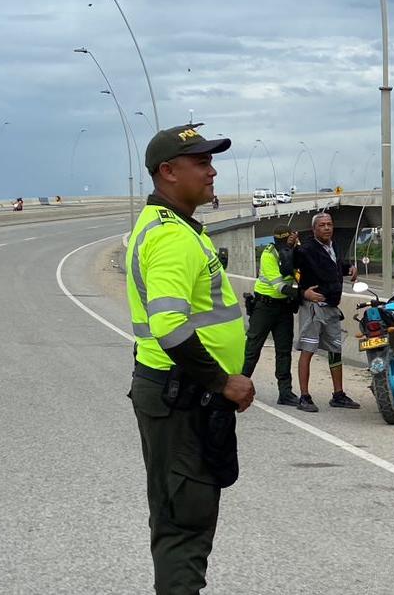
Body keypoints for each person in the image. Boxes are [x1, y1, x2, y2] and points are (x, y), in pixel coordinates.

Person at [126, 123, 256, 595]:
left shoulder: (178, 229)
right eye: (201, 163)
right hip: (182, 398)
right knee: (184, 525)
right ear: (168, 172)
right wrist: (222, 381)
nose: (212, 171)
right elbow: (168, 326)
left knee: (185, 518)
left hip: (180, 396)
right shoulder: (172, 239)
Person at [292, 211, 360, 412]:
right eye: (322, 225)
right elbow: (290, 270)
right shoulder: (305, 250)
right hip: (314, 307)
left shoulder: (334, 246)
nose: (327, 228)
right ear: (314, 229)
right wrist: (304, 293)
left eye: (329, 224)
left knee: (335, 350)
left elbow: (334, 267)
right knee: (308, 350)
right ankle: (304, 397)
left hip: (331, 306)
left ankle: (338, 394)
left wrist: (350, 268)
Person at [242, 224, 300, 405]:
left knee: (284, 351)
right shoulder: (269, 254)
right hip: (264, 307)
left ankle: (285, 393)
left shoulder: (296, 251)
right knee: (253, 349)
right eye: (284, 240)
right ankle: (240, 387)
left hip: (284, 308)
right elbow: (279, 287)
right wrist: (303, 293)